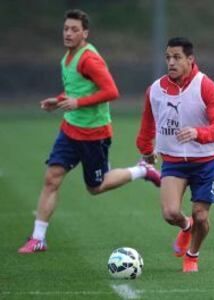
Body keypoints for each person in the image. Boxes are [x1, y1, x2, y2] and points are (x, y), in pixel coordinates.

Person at [18, 9, 160, 254]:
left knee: (95, 187)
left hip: (94, 134)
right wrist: (60, 100)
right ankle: (38, 238)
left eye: (74, 30)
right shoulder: (68, 57)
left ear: (85, 33)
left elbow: (111, 91)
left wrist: (77, 103)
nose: (69, 33)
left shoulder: (89, 59)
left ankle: (142, 170)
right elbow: (78, 90)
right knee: (52, 178)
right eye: (66, 29)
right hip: (70, 129)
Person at [136, 37, 214, 272]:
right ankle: (185, 228)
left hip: (207, 162)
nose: (171, 62)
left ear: (190, 60)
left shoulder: (205, 85)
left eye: (177, 57)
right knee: (170, 213)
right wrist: (146, 151)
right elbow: (147, 126)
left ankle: (192, 256)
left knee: (200, 216)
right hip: (174, 162)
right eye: (168, 57)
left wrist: (198, 132)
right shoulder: (155, 90)